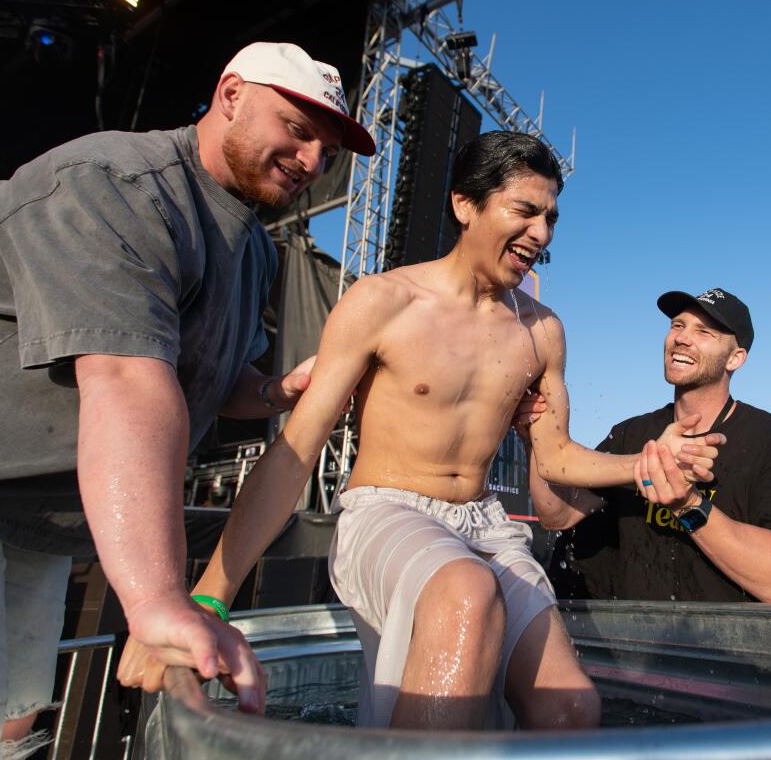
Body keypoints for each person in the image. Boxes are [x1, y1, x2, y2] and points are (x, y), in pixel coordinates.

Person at [120, 131, 726, 731]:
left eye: (551, 218)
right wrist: (207, 597)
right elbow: (297, 449)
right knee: (465, 590)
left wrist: (646, 462)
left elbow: (558, 457)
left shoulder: (544, 332)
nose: (541, 234)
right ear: (466, 205)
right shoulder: (382, 302)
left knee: (570, 708)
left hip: (486, 526)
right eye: (525, 211)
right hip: (386, 512)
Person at [0, 41, 374, 757]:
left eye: (328, 149)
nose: (314, 161)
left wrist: (274, 388)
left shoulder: (254, 251)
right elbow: (127, 376)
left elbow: (211, 380)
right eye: (297, 128)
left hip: (32, 513)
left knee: (13, 718)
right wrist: (159, 598)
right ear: (230, 94)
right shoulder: (115, 182)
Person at [523, 288, 771, 604]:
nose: (681, 338)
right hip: (628, 642)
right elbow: (556, 514)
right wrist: (536, 441)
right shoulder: (631, 433)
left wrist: (688, 505)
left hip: (727, 648)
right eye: (677, 326)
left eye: (703, 331)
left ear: (736, 358)